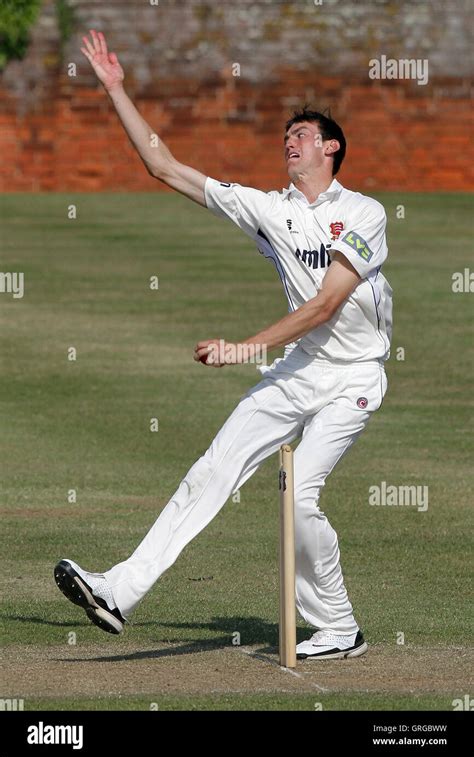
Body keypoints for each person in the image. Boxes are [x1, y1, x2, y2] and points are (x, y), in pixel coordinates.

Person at [54, 30, 392, 660]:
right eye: (285, 137)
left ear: (331, 147)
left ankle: (340, 626)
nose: (288, 142)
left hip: (354, 377)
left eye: (302, 135)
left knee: (301, 493)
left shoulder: (366, 213)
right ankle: (118, 591)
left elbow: (325, 305)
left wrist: (243, 349)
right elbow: (165, 167)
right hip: (299, 370)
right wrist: (116, 89)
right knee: (213, 469)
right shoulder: (269, 209)